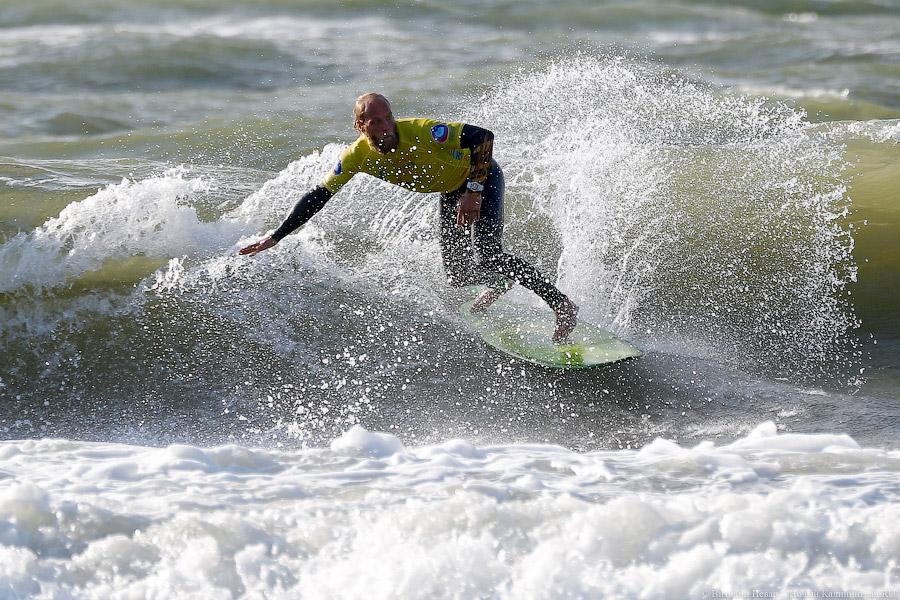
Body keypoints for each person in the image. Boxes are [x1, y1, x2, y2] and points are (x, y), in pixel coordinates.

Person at [239, 93, 578, 342]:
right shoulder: (356, 157)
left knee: (490, 253)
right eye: (376, 121)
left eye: (388, 118)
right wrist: (276, 236)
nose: (386, 127)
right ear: (360, 126)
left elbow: (483, 138)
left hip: (481, 177)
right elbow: (318, 196)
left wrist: (474, 191)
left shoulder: (422, 131)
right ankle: (501, 281)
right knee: (458, 276)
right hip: (450, 191)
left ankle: (562, 305)